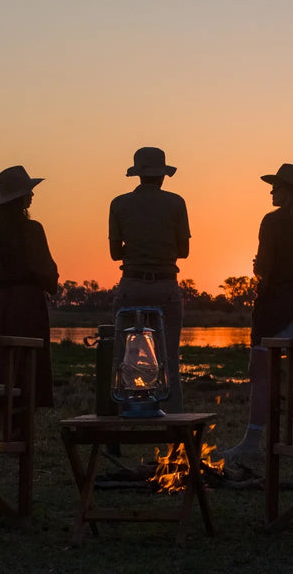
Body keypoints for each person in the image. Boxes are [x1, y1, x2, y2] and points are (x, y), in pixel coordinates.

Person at [223, 163, 293, 464]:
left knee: (260, 374)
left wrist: (258, 269)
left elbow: (265, 270)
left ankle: (252, 441)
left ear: (288, 192)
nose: (271, 190)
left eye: (276, 186)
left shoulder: (272, 221)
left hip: (278, 308)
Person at [109, 147, 191, 413]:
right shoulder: (176, 202)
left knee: (122, 359)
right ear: (162, 176)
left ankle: (119, 419)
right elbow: (184, 251)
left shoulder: (118, 203)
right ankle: (176, 425)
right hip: (165, 287)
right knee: (169, 360)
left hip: (130, 287)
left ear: (138, 175)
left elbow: (114, 253)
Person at [0, 165, 59, 407]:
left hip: (2, 304)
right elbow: (46, 269)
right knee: (31, 361)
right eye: (28, 192)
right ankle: (27, 414)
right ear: (20, 198)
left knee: (4, 360)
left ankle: (5, 412)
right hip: (30, 303)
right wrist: (46, 285)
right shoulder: (33, 230)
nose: (32, 196)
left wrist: (1, 291)